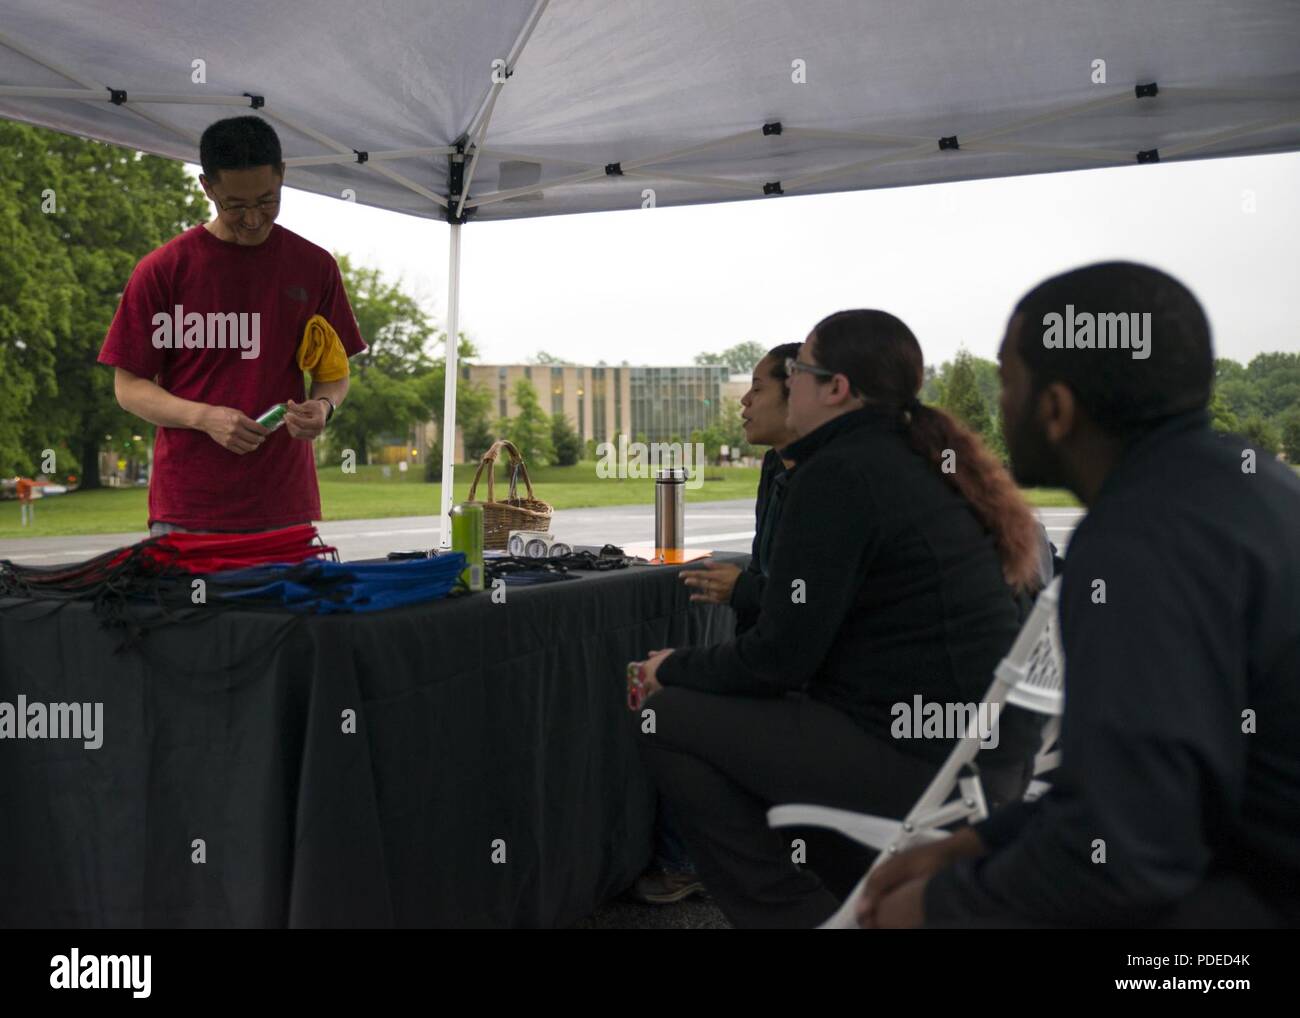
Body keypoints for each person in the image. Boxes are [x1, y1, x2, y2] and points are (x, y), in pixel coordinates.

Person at [860, 262, 1300, 929]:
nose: (999, 406)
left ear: (1057, 409)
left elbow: (1124, 860)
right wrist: (980, 840)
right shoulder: (1246, 488)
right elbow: (1146, 788)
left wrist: (934, 909)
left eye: (1007, 382)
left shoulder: (1138, 540)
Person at [632, 309, 1045, 928]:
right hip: (981, 755)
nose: (784, 383)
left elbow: (779, 658)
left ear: (836, 388)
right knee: (753, 723)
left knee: (662, 713)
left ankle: (799, 917)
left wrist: (673, 667)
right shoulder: (916, 457)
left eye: (795, 371)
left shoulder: (840, 472)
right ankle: (858, 900)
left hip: (926, 760)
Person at [98, 116, 366, 536]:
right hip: (189, 511)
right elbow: (128, 387)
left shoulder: (315, 267)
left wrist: (324, 406)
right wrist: (204, 417)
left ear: (282, 176)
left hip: (284, 506)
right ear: (207, 188)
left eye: (267, 200)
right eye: (236, 206)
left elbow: (335, 374)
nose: (254, 219)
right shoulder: (164, 270)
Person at [630, 343, 802, 905]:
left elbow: (802, 621)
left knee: (671, 709)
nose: (745, 401)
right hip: (785, 656)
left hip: (830, 694)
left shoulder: (832, 480)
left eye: (757, 387)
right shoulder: (778, 464)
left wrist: (744, 592)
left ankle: (712, 869)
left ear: (800, 393)